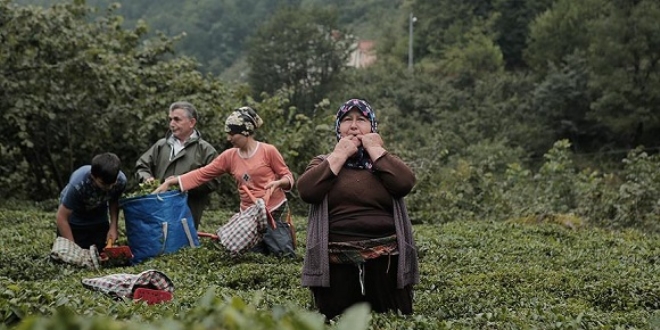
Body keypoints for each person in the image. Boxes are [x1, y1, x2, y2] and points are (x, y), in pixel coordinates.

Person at [297, 99, 419, 320]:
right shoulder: (323, 162)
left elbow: (405, 183)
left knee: (390, 319)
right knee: (335, 321)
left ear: (372, 127)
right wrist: (340, 155)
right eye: (347, 120)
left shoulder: (382, 162)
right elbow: (307, 191)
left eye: (361, 120)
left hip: (386, 262)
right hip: (336, 266)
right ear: (338, 128)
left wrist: (375, 150)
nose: (353, 126)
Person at [153, 106, 295, 256]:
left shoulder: (268, 151)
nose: (229, 138)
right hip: (249, 217)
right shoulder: (230, 156)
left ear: (245, 132)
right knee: (253, 258)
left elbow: (288, 176)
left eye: (232, 134)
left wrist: (278, 183)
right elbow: (203, 173)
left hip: (274, 211)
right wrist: (172, 182)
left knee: (283, 254)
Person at [135, 101, 219, 229]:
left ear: (192, 122)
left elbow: (213, 181)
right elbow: (142, 166)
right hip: (158, 212)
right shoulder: (161, 145)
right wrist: (146, 178)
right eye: (170, 119)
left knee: (182, 246)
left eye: (177, 119)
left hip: (187, 214)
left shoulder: (206, 151)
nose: (171, 124)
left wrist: (181, 183)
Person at [56, 152, 127, 249]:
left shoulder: (120, 181)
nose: (109, 188)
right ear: (93, 176)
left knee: (101, 255)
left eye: (112, 184)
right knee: (71, 256)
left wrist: (113, 227)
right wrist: (73, 249)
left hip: (98, 219)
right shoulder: (78, 184)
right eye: (103, 184)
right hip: (75, 221)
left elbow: (113, 201)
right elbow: (61, 217)